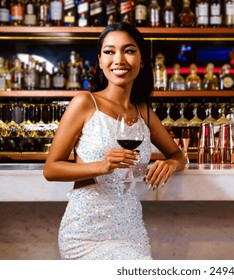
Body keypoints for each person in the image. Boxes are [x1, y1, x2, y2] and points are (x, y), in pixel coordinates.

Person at [43, 22, 186, 260]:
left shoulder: (144, 111)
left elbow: (178, 155)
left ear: (141, 60)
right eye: (109, 52)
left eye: (129, 51)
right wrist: (102, 166)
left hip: (132, 231)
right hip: (86, 233)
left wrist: (171, 164)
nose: (118, 59)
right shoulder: (84, 102)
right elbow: (51, 169)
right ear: (100, 61)